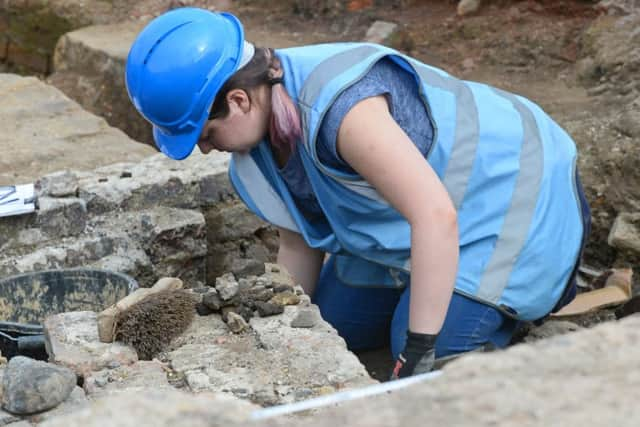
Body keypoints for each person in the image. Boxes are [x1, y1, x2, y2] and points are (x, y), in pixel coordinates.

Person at [125, 7, 591, 379]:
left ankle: (497, 322)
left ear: (239, 100)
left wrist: (419, 349)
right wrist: (282, 335)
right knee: (332, 326)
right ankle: (425, 299)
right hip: (416, 217)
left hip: (511, 199)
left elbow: (435, 216)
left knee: (422, 357)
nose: (205, 149)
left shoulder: (344, 112)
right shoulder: (261, 132)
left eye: (204, 134)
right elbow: (298, 239)